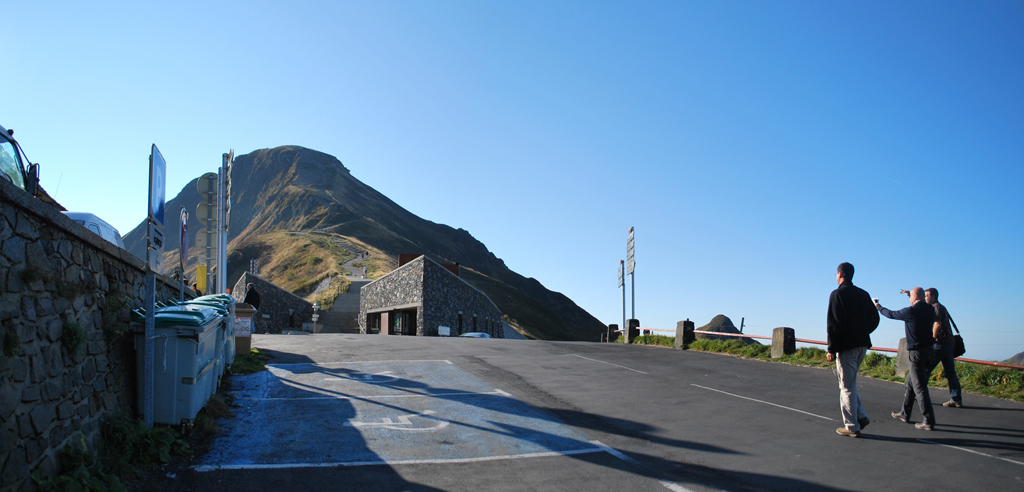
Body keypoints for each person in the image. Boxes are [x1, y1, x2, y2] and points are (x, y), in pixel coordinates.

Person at [826, 262, 880, 437]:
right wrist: (863, 332)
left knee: (846, 386)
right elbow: (874, 319)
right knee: (850, 382)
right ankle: (861, 416)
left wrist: (831, 349)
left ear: (840, 275)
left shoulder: (837, 294)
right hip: (862, 344)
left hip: (846, 347)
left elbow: (833, 325)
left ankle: (852, 426)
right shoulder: (863, 294)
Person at [877, 287, 937, 430]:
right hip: (929, 351)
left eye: (911, 297)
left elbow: (891, 314)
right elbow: (919, 303)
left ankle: (928, 420)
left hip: (916, 353)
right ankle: (905, 413)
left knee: (919, 387)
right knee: (910, 383)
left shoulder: (911, 312)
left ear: (915, 297)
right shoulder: (930, 310)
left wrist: (879, 307)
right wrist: (911, 295)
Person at [926, 288, 963, 408]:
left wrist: (932, 337)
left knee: (925, 369)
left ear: (934, 296)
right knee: (950, 372)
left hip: (939, 343)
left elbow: (937, 323)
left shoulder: (935, 308)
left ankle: (918, 394)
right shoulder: (942, 307)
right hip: (949, 343)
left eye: (927, 296)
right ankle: (956, 398)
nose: (925, 298)